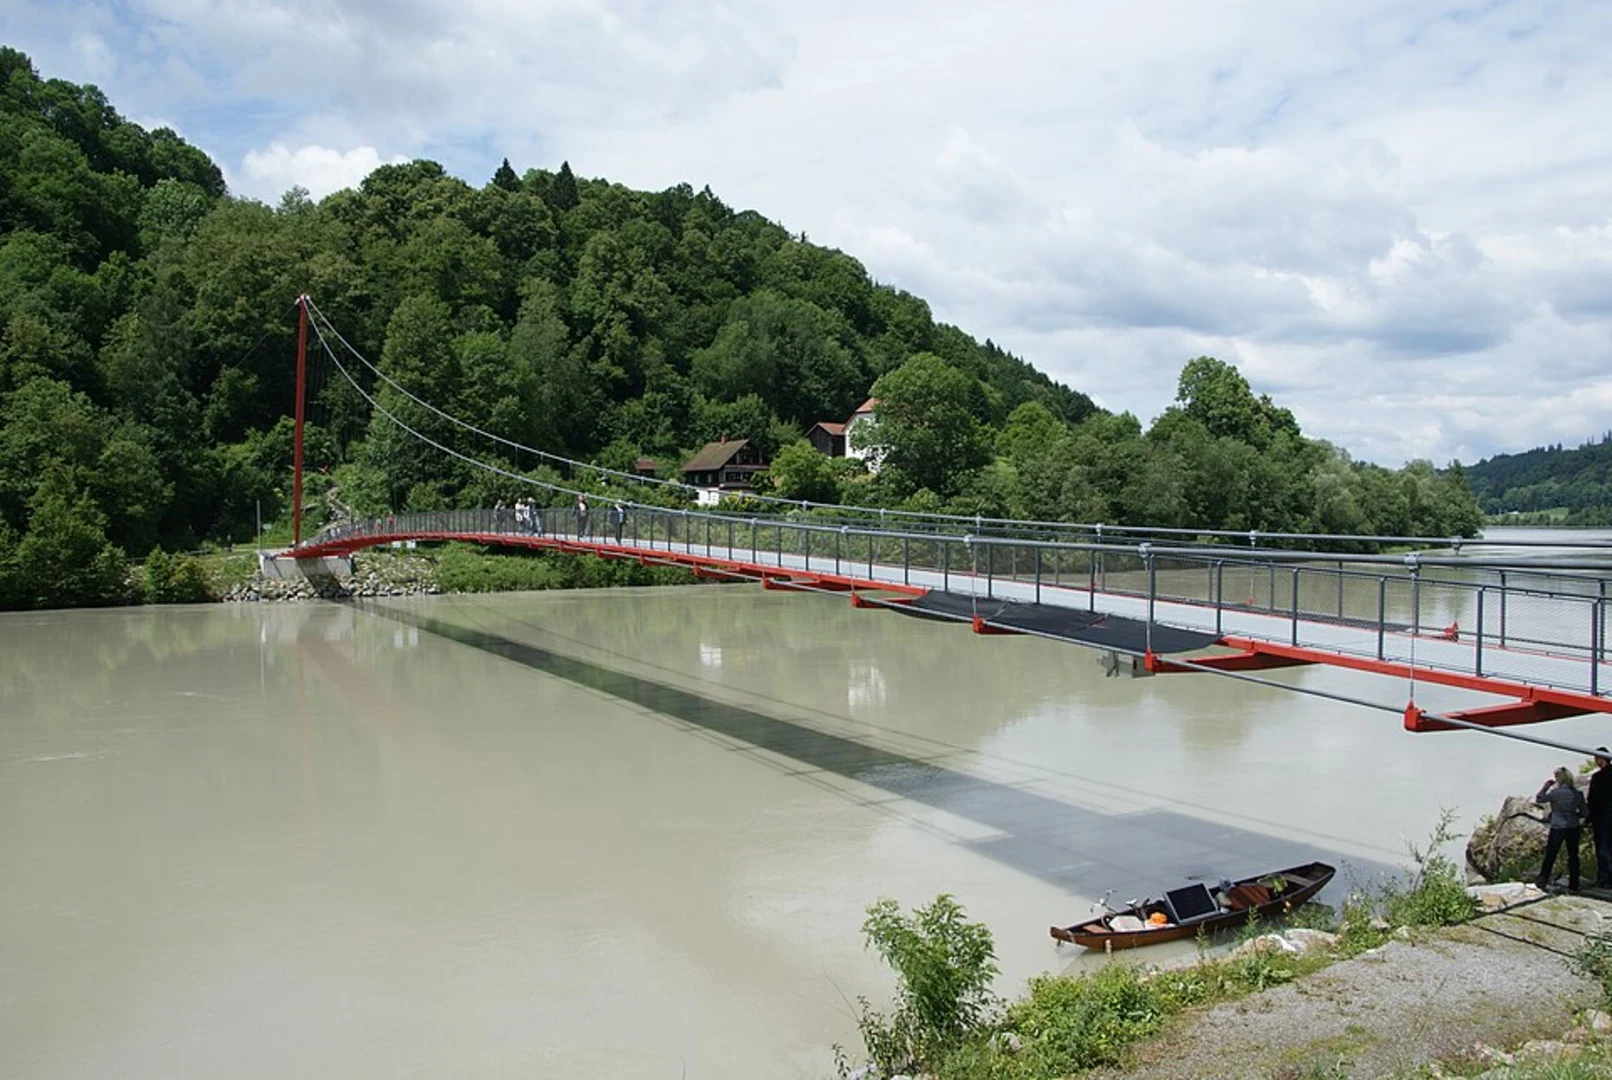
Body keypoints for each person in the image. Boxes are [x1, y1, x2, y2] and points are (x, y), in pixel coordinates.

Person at [1535, 765, 1588, 893]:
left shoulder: (1555, 793)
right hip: (1573, 826)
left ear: (1559, 779)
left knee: (1551, 854)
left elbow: (1539, 798)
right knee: (1573, 855)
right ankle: (1574, 884)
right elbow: (1585, 813)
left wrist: (1546, 786)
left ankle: (1542, 880)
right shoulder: (1577, 794)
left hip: (1558, 827)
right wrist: (1575, 815)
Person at [1590, 748, 1612, 888]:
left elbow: (1593, 799)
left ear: (1600, 759)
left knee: (1603, 848)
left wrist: (1590, 816)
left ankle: (1605, 879)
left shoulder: (1598, 777)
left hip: (1602, 817)